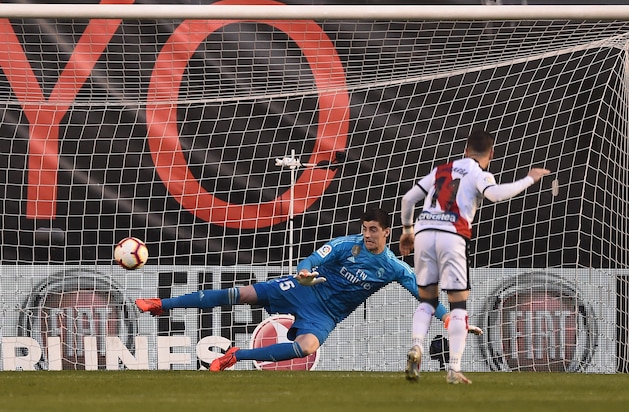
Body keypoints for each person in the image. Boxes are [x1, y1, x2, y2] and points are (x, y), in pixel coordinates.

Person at [135, 207, 480, 371]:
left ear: (386, 233)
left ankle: (235, 356)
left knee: (306, 348)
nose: (367, 234)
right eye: (364, 228)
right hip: (302, 291)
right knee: (242, 293)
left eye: (374, 229)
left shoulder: (394, 268)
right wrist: (303, 274)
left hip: (327, 313)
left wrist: (449, 319)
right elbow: (311, 260)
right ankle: (161, 303)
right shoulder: (348, 245)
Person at [399, 129, 550, 384]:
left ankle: (417, 346)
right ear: (490, 153)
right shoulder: (480, 174)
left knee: (427, 300)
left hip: (424, 233)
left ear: (466, 149)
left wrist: (407, 231)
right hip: (452, 235)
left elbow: (408, 198)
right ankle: (454, 369)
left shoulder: (441, 170)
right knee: (458, 304)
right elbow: (495, 195)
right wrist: (529, 179)